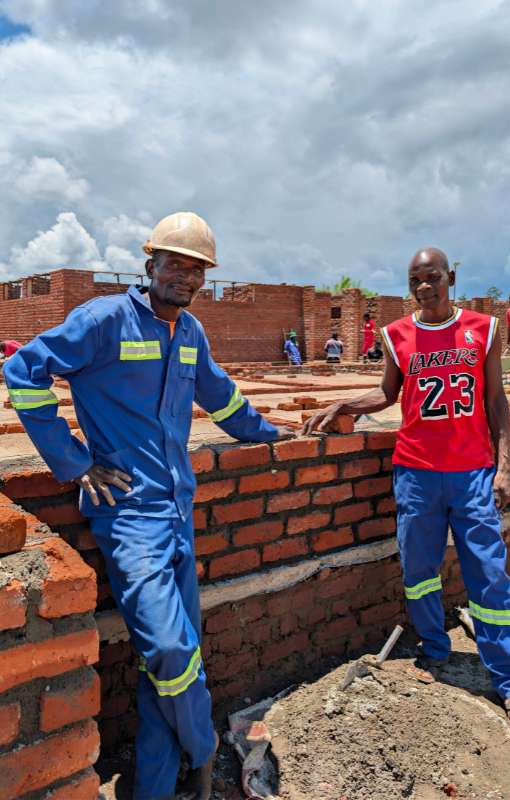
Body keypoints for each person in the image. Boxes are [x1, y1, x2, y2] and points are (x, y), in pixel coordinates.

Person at [4, 211, 293, 800]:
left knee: (162, 661)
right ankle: (204, 751)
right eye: (175, 264)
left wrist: (273, 433)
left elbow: (223, 398)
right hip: (130, 515)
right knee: (169, 648)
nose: (186, 277)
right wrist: (74, 463)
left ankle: (155, 788)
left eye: (197, 269)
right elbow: (23, 370)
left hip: (179, 510)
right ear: (150, 263)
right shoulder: (105, 319)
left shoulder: (190, 333)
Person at [303, 247, 510, 738]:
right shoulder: (396, 335)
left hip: (472, 473)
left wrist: (505, 466)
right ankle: (435, 649)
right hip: (416, 473)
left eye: (433, 277)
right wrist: (344, 404)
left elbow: (496, 400)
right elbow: (387, 393)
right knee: (418, 571)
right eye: (415, 280)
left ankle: (507, 680)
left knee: (489, 574)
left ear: (450, 277)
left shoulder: (483, 329)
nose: (424, 287)